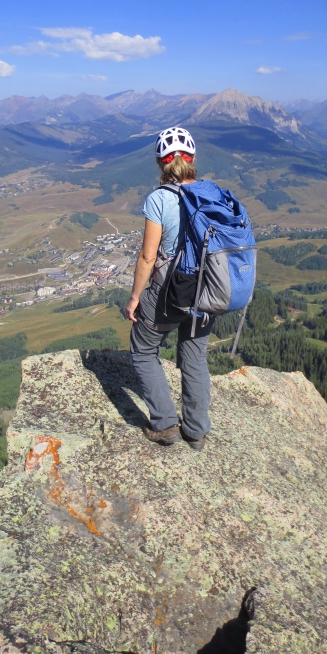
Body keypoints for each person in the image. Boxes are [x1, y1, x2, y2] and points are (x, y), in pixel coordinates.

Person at [125, 127, 212, 451]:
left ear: (161, 163)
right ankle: (197, 431)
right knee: (193, 354)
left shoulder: (160, 199)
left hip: (172, 293)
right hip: (207, 292)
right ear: (192, 160)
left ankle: (164, 425)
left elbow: (149, 255)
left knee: (144, 351)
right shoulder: (210, 193)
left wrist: (135, 298)